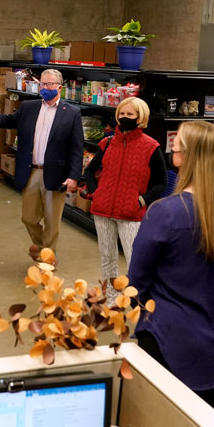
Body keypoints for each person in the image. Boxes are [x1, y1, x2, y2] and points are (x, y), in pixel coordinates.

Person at [128, 121, 214, 418]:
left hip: (170, 338)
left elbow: (137, 284)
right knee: (209, 418)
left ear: (189, 156)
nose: (172, 144)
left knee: (161, 422)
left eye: (178, 142)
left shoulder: (165, 213)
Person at [0, 69, 83, 257]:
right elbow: (8, 121)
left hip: (55, 173)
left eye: (49, 84)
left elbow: (76, 148)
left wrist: (73, 176)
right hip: (31, 171)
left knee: (52, 221)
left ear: (59, 87)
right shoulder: (29, 107)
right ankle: (42, 247)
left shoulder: (71, 113)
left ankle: (48, 259)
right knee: (28, 218)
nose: (45, 87)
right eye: (42, 84)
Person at [81, 97, 166, 303]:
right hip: (103, 212)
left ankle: (140, 304)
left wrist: (141, 201)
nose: (124, 117)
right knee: (107, 259)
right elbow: (90, 171)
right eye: (121, 114)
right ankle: (112, 301)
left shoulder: (150, 147)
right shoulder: (108, 142)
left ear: (141, 118)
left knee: (135, 262)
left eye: (130, 114)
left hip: (131, 215)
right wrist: (96, 192)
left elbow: (161, 182)